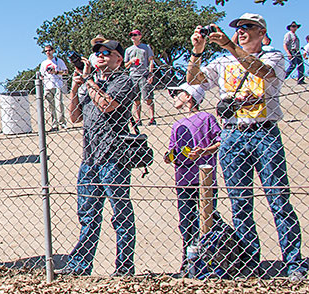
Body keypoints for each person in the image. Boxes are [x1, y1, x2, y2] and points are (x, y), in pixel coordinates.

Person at [187, 13, 308, 280]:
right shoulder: (221, 61)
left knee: (278, 199)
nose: (241, 31)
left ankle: (293, 263)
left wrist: (230, 45)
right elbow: (194, 80)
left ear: (262, 31)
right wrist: (197, 51)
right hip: (232, 134)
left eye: (247, 27)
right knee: (240, 203)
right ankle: (249, 263)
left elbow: (262, 72)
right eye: (238, 28)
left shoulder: (273, 55)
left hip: (265, 132)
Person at [57, 40, 137, 277]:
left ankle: (124, 268)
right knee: (88, 216)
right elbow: (74, 116)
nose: (100, 57)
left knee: (121, 215)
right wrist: (75, 86)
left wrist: (89, 81)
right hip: (90, 158)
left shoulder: (123, 81)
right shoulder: (91, 84)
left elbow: (107, 105)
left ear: (118, 59)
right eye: (97, 54)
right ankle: (80, 266)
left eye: (106, 53)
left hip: (114, 156)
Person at [163, 83, 221, 272]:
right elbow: (173, 149)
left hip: (204, 179)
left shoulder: (207, 118)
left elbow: (220, 140)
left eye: (178, 93)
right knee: (186, 222)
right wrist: (169, 156)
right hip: (183, 179)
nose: (174, 97)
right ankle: (189, 261)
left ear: (189, 96)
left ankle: (210, 261)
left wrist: (204, 151)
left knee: (207, 220)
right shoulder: (177, 125)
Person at [125, 29, 157, 125]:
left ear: (140, 36)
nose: (133, 37)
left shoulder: (146, 48)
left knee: (148, 97)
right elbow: (125, 65)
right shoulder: (128, 50)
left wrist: (151, 73)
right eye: (131, 35)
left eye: (135, 35)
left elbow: (151, 60)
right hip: (133, 75)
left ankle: (152, 118)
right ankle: (138, 119)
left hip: (144, 74)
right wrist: (131, 61)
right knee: (136, 99)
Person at [39, 45, 69, 131]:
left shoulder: (58, 61)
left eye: (49, 50)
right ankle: (54, 125)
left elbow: (65, 71)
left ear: (53, 51)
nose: (48, 52)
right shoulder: (43, 63)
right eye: (46, 51)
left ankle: (62, 123)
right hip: (48, 86)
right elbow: (42, 74)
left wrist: (56, 72)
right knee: (50, 107)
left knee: (59, 105)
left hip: (57, 85)